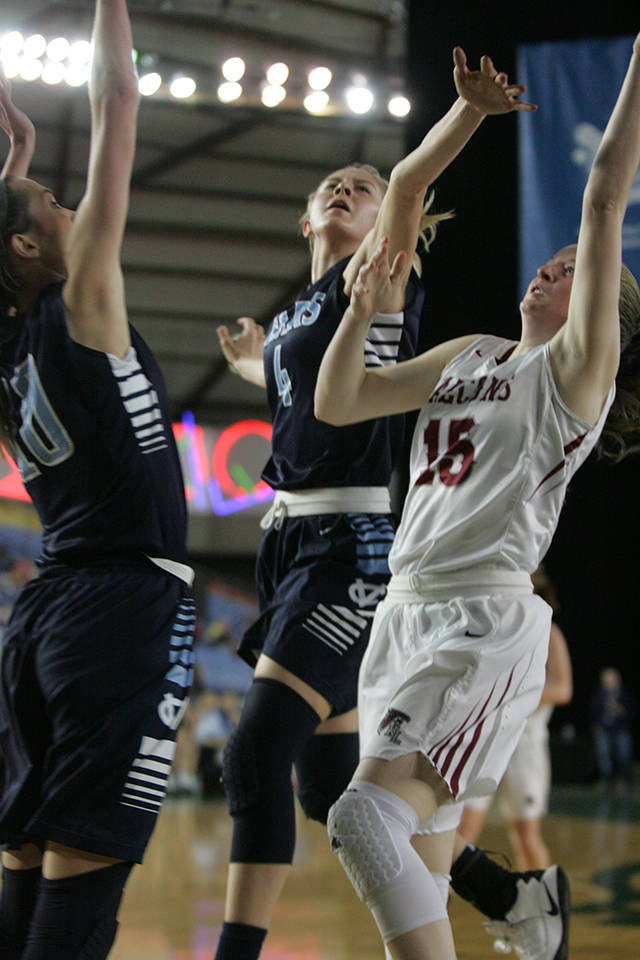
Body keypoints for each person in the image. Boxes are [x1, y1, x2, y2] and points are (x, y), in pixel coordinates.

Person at [213, 46, 545, 960]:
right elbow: (286, 383)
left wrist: (468, 114)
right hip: (293, 549)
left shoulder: (380, 284)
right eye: (336, 183)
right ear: (307, 216)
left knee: (251, 757)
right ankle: (505, 896)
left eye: (361, 186)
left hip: (349, 544)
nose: (350, 189)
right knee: (328, 793)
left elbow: (406, 181)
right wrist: (249, 358)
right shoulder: (297, 315)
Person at [317, 36, 640, 960]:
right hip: (403, 612)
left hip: (481, 616)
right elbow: (342, 400)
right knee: (413, 867)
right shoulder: (469, 357)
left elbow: (605, 188)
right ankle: (527, 917)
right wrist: (360, 307)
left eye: (576, 267)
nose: (552, 264)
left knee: (362, 823)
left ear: (601, 321)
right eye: (554, 258)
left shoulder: (576, 379)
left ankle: (525, 916)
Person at [0, 2, 196, 957]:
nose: (73, 207)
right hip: (119, 605)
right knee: (83, 875)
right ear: (32, 249)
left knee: (29, 856)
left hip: (43, 616)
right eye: (54, 205)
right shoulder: (83, 300)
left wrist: (12, 173)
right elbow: (117, 97)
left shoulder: (5, 339)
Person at [589, 666, 636, 791]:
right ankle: (606, 780)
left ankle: (624, 780)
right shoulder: (600, 695)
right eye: (605, 680)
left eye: (610, 680)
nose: (607, 683)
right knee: (603, 756)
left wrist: (621, 711)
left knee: (623, 755)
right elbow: (593, 712)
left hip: (620, 729)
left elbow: (632, 712)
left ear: (616, 680)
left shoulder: (624, 694)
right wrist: (596, 726)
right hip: (604, 730)